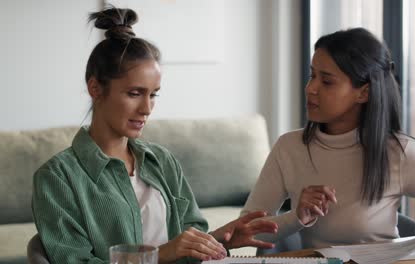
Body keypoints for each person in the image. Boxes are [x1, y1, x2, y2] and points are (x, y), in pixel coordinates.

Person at [32, 7, 277, 264]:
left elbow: (186, 241)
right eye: (135, 93)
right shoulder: (56, 179)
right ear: (95, 88)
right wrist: (159, 256)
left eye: (154, 94)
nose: (147, 109)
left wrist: (218, 240)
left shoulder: (162, 160)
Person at [242, 28, 415, 249]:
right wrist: (296, 217)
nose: (310, 88)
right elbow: (246, 229)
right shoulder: (289, 147)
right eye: (312, 76)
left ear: (364, 93)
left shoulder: (399, 152)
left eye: (327, 82)